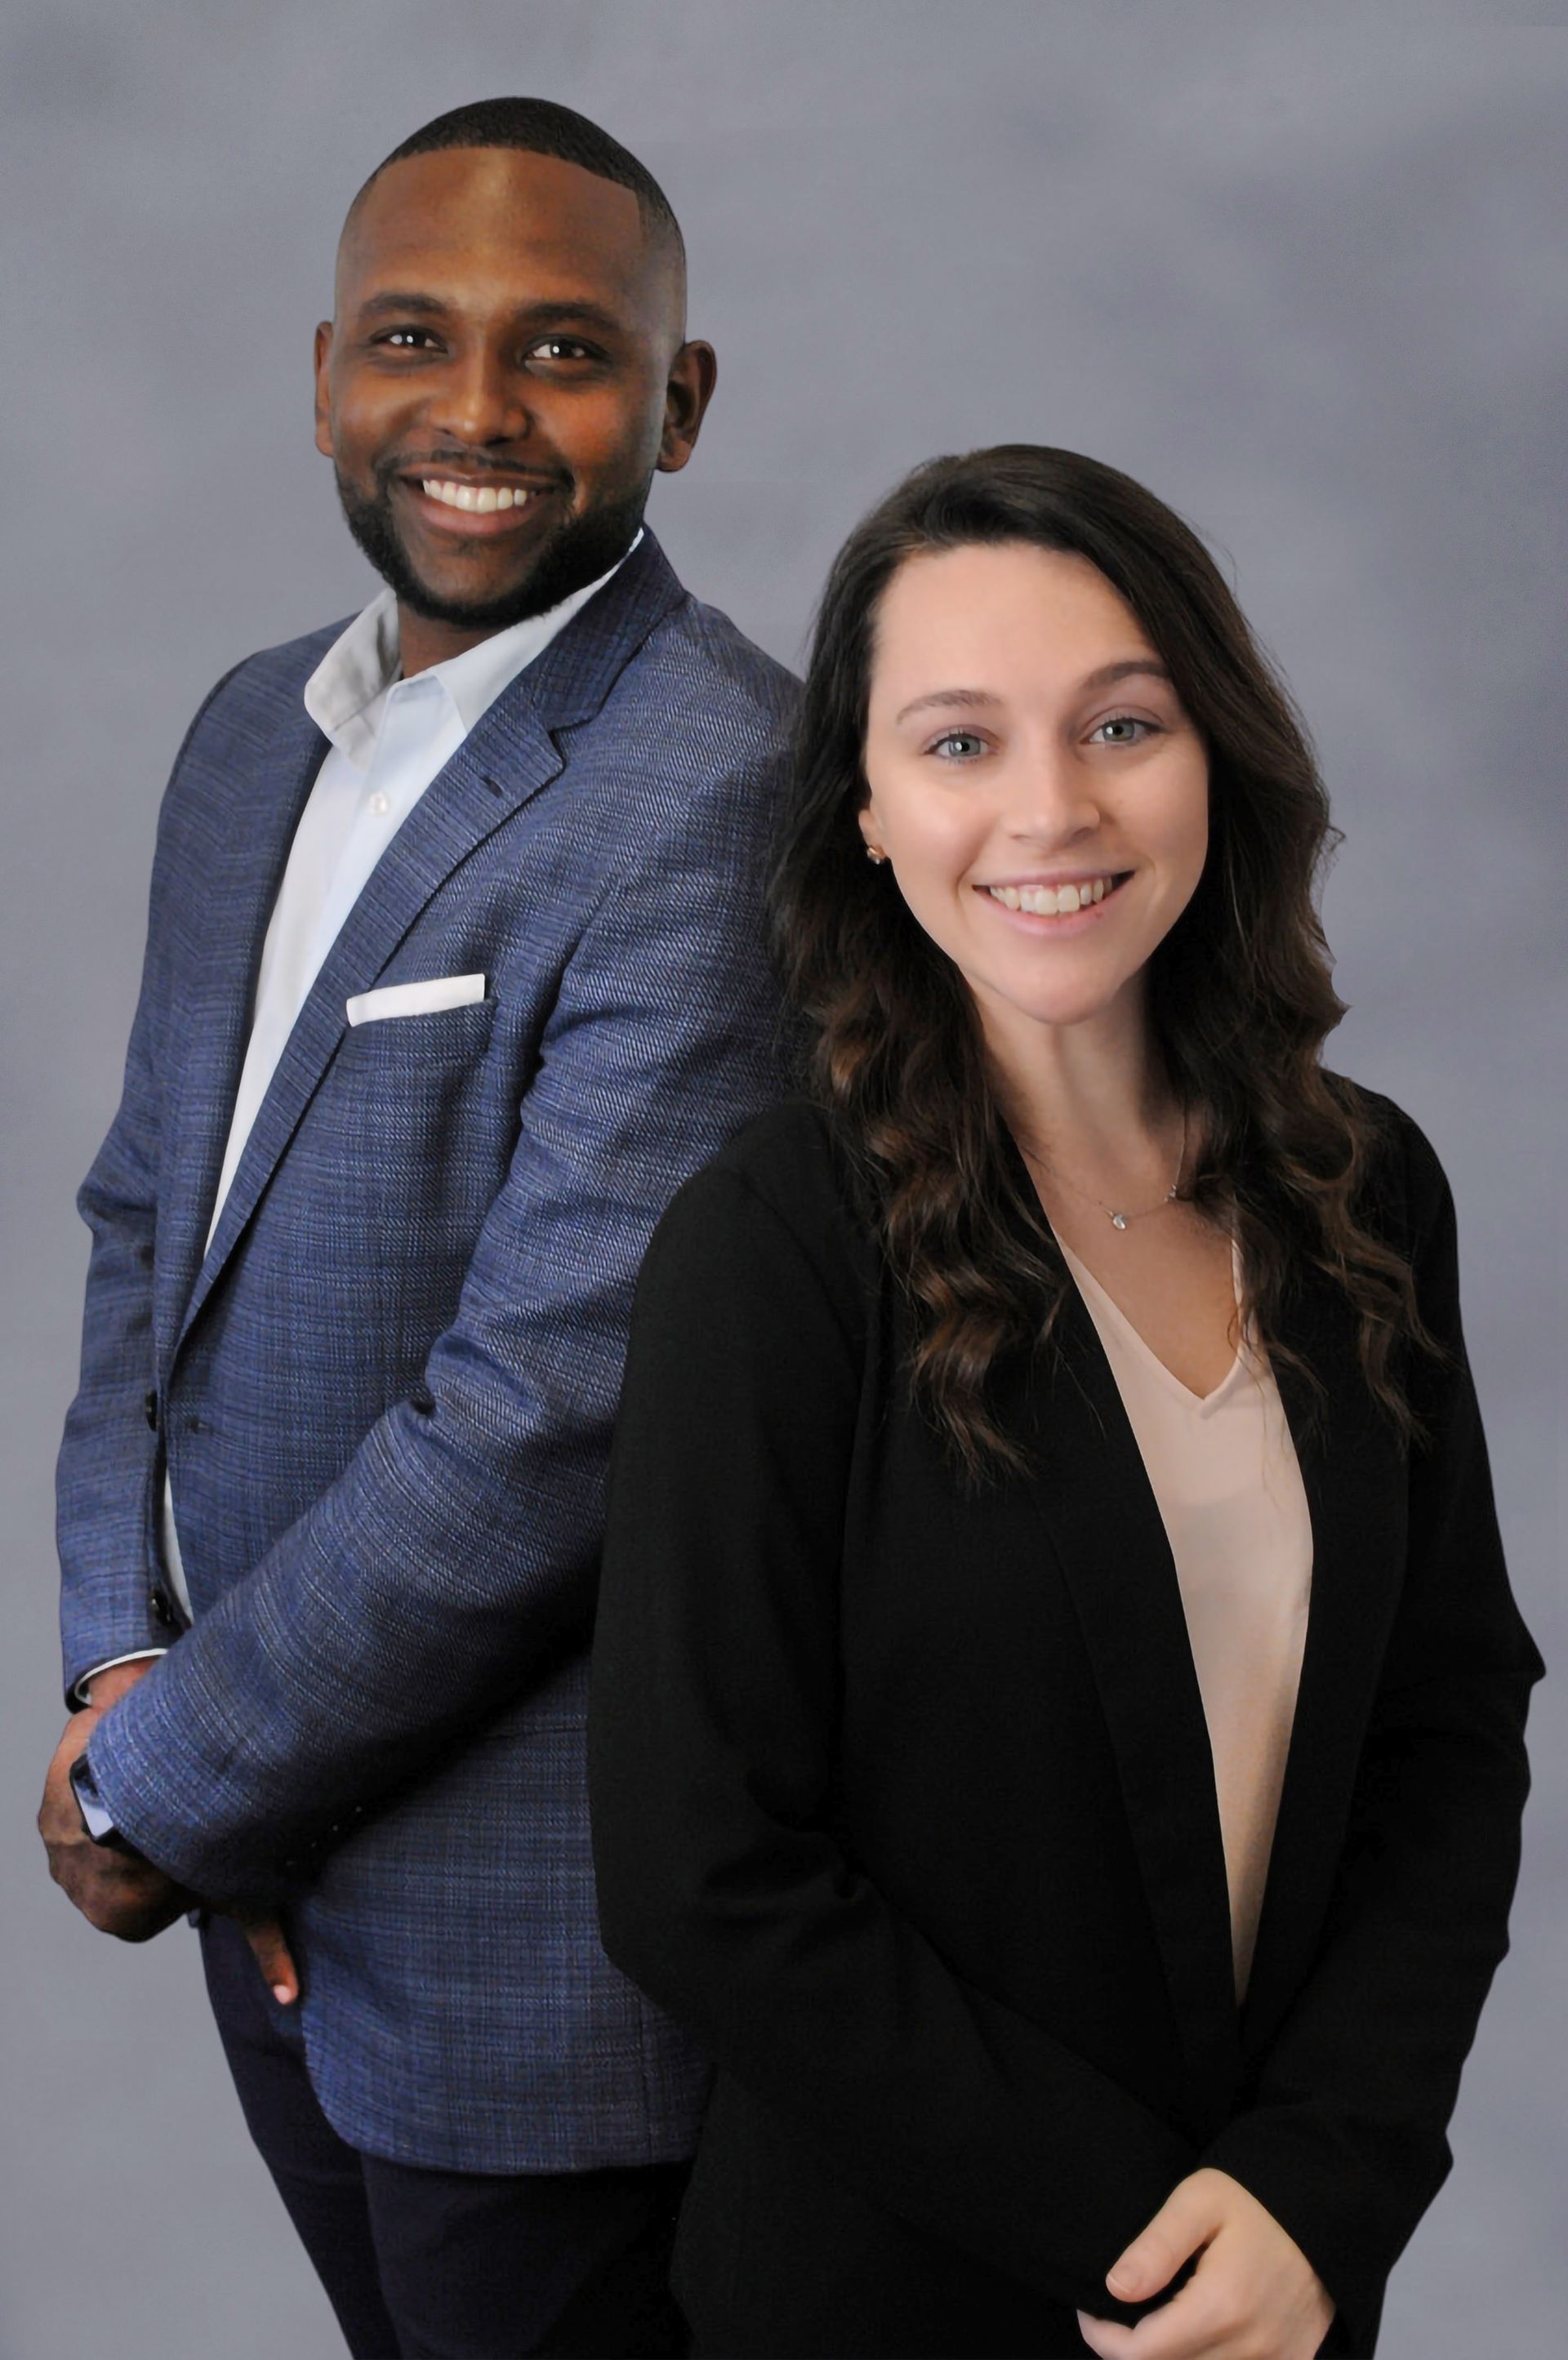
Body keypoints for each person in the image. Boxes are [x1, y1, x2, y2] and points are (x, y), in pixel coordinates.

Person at [587, 444, 1544, 2359]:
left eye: (1123, 721)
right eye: (957, 743)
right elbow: (705, 1871)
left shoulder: (1372, 1192)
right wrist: (1148, 2237)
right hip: (903, 2295)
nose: (1052, 807)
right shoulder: (770, 1250)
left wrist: (1318, 2188)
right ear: (861, 807)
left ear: (1221, 753)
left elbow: (1446, 1737)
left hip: (1278, 2292)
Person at [38, 96, 797, 2360]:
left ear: (679, 400)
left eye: (564, 352)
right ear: (320, 376)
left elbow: (553, 1421)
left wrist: (163, 1787)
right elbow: (139, 1229)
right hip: (262, 1860)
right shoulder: (242, 739)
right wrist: (117, 1669)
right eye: (411, 338)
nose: (473, 413)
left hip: (526, 1950)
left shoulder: (721, 787)